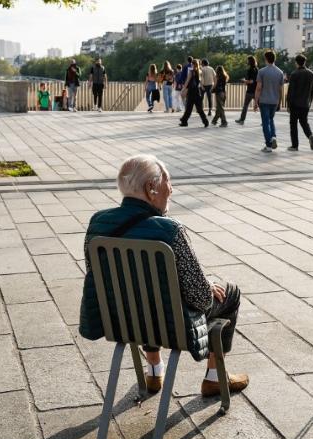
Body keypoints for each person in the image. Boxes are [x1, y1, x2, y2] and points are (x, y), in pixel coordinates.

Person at [79, 154, 250, 397]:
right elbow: (201, 299)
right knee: (229, 293)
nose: (171, 189)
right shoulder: (171, 230)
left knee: (141, 292)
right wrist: (207, 285)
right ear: (151, 188)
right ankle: (214, 378)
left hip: (122, 320)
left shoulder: (97, 223)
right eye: (168, 181)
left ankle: (154, 370)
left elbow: (94, 274)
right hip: (172, 327)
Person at [254, 50, 285, 153]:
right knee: (271, 120)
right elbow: (281, 89)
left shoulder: (262, 71)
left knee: (265, 122)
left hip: (264, 100)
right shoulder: (280, 72)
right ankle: (273, 137)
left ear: (266, 59)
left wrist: (255, 101)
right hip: (274, 101)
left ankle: (268, 145)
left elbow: (258, 88)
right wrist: (280, 102)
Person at [285, 54, 313, 152]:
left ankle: (295, 145)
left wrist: (288, 104)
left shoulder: (294, 74)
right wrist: (309, 101)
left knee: (293, 124)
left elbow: (291, 91)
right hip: (305, 103)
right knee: (304, 122)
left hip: (295, 104)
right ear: (304, 62)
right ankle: (310, 135)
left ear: (296, 63)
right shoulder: (311, 74)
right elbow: (312, 90)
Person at [179, 59, 209, 128]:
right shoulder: (200, 71)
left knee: (189, 108)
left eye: (192, 64)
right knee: (199, 109)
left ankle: (184, 121)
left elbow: (187, 81)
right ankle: (205, 122)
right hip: (197, 91)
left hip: (191, 91)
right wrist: (202, 88)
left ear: (193, 64)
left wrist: (183, 90)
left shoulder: (191, 72)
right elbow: (201, 82)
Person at [235, 56, 259, 125]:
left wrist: (244, 80)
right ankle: (265, 121)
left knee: (245, 106)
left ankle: (242, 120)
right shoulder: (257, 69)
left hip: (250, 91)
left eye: (248, 60)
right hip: (256, 91)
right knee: (261, 107)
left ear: (250, 61)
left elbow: (251, 81)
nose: (247, 61)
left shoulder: (250, 70)